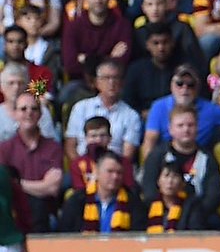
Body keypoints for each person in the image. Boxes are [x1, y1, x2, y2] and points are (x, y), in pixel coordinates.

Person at [0, 90, 63, 236]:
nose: (29, 112)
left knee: (38, 204)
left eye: (34, 108)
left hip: (45, 214)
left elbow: (52, 188)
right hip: (12, 212)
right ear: (14, 114)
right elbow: (3, 186)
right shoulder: (4, 149)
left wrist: (18, 183)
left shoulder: (53, 148)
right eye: (23, 109)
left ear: (41, 114)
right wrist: (39, 186)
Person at [64, 56, 140, 163]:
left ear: (122, 83)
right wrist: (83, 169)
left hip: (114, 170)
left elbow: (127, 155)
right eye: (106, 78)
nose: (111, 82)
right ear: (96, 82)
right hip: (83, 168)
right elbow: (70, 146)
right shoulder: (80, 108)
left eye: (115, 78)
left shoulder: (131, 115)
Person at [58, 150, 148, 233]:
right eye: (110, 171)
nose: (115, 177)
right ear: (97, 172)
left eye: (119, 173)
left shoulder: (133, 202)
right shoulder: (77, 201)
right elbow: (65, 235)